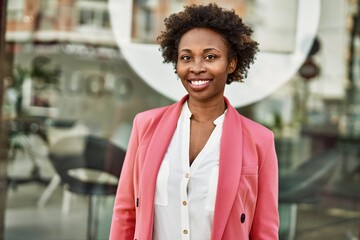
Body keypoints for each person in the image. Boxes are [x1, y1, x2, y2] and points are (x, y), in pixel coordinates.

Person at [110, 3, 279, 240]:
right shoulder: (145, 125)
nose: (196, 68)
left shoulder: (260, 140)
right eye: (186, 57)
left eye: (210, 57)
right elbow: (126, 212)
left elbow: (264, 230)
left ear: (231, 63)